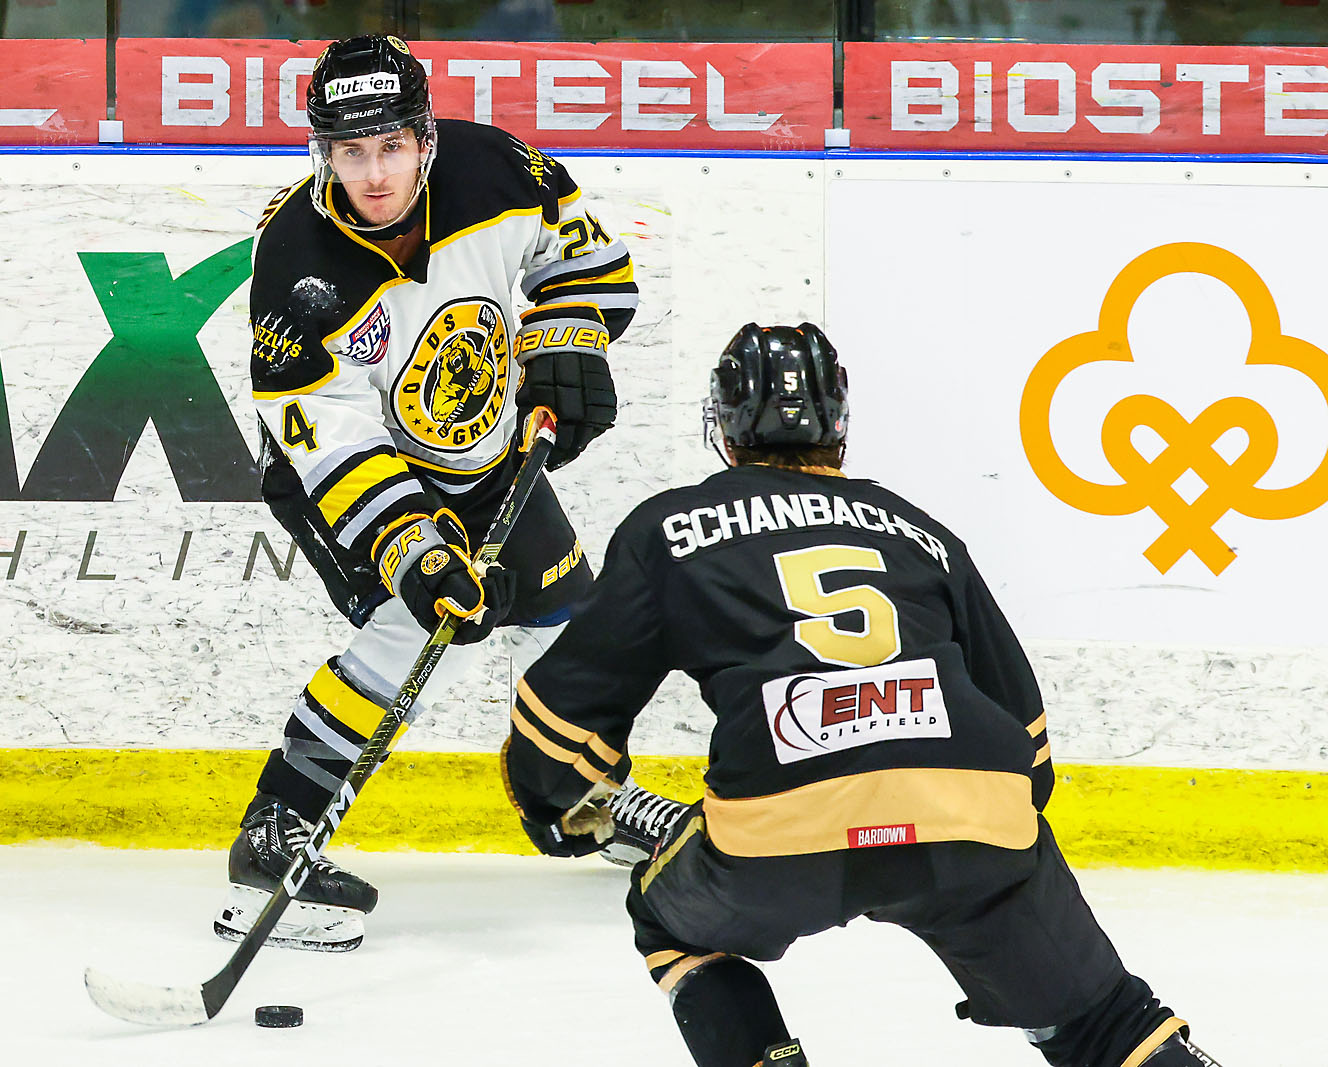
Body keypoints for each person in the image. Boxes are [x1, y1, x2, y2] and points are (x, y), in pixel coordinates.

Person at [501, 323, 1226, 1067]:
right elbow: (1028, 746)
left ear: (723, 423)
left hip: (782, 823)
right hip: (971, 809)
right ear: (839, 425)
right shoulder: (923, 532)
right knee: (1103, 1017)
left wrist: (555, 804)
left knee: (670, 922)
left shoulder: (671, 527)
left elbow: (565, 718)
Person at [222, 33, 685, 952]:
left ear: (426, 138)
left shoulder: (497, 169)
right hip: (355, 478)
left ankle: (581, 798)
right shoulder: (296, 269)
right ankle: (274, 835)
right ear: (323, 151)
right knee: (417, 633)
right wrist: (416, 551)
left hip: (484, 452)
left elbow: (589, 265)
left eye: (391, 146)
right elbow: (332, 443)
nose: (374, 174)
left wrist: (566, 337)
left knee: (571, 625)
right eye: (351, 152)